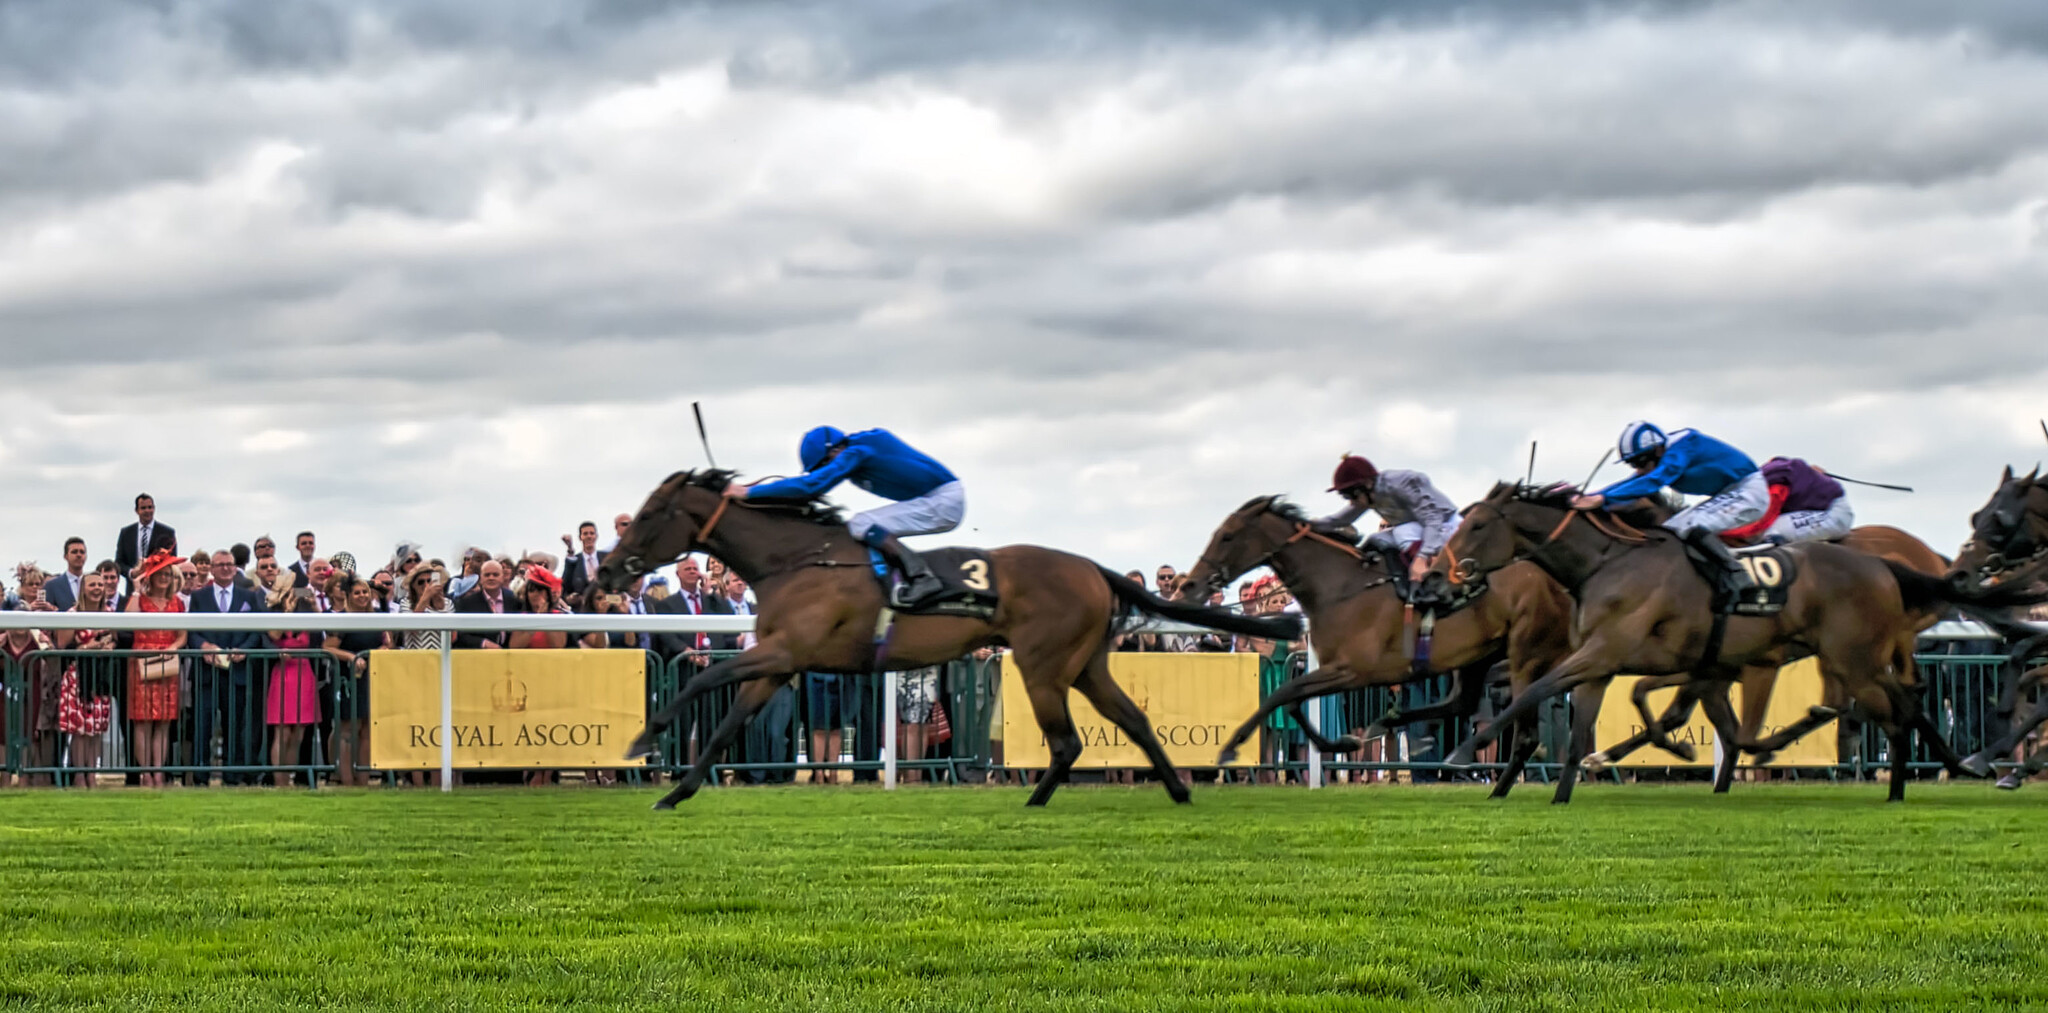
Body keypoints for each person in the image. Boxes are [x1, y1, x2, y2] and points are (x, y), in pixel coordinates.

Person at [727, 426, 964, 607]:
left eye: (824, 464)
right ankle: (895, 576)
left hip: (943, 501)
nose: (825, 471)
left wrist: (748, 492)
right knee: (860, 524)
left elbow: (812, 485)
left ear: (835, 451)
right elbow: (813, 483)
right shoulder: (856, 448)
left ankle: (921, 576)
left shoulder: (858, 451)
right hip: (938, 498)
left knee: (861, 523)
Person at [1570, 421, 1765, 577]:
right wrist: (1593, 497)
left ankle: (1737, 575)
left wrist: (1603, 498)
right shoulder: (1662, 454)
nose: (1637, 469)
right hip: (1728, 493)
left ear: (1658, 451)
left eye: (1639, 462)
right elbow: (1634, 482)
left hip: (1749, 491)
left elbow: (1654, 481)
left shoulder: (1682, 449)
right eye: (1631, 464)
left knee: (1692, 527)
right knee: (1668, 533)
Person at [189, 549, 268, 788]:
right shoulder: (199, 597)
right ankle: (200, 776)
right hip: (207, 672)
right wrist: (204, 646)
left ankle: (232, 775)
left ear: (236, 568)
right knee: (203, 726)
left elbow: (257, 630)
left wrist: (243, 649)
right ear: (211, 569)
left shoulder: (249, 596)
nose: (225, 568)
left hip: (237, 672)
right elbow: (190, 629)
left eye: (229, 564)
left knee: (235, 726)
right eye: (220, 564)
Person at [1318, 455, 1461, 584]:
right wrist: (1307, 525)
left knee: (1402, 532)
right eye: (1345, 497)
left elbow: (1432, 520)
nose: (1351, 503)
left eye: (1350, 496)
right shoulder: (1369, 492)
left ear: (1367, 484)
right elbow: (1338, 521)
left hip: (1448, 525)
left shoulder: (1400, 484)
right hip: (1423, 531)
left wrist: (1422, 558)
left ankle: (1431, 578)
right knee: (1376, 540)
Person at [123, 549, 187, 787]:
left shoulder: (177, 602)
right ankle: (145, 772)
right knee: (143, 720)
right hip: (142, 659)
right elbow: (128, 621)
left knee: (164, 720)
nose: (164, 578)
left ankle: (159, 771)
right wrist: (137, 590)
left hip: (167, 660)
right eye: (160, 573)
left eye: (168, 574)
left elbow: (183, 635)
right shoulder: (141, 599)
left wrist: (173, 648)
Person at [324, 576, 387, 787]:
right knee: (347, 729)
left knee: (367, 729)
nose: (362, 596)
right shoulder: (342, 619)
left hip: (374, 676)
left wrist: (381, 650)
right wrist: (352, 657)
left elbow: (387, 642)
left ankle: (363, 781)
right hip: (347, 679)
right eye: (357, 592)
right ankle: (346, 781)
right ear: (349, 596)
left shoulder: (378, 616)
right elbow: (328, 647)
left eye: (365, 592)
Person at [56, 573, 117, 788]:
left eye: (100, 584)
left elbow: (115, 638)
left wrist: (109, 646)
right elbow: (63, 646)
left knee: (96, 729)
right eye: (93, 584)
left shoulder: (110, 613)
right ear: (83, 588)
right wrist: (87, 648)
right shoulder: (72, 614)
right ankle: (79, 774)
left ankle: (92, 773)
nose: (98, 588)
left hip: (101, 676)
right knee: (80, 730)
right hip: (78, 676)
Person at [1719, 457, 1854, 546]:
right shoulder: (1764, 476)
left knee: (1767, 534)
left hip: (1836, 514)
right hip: (1818, 507)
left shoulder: (1774, 484)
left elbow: (1761, 524)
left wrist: (1721, 532)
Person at [266, 577, 322, 787]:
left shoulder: (306, 614)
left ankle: (288, 777)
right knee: (283, 731)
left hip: (304, 672)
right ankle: (278, 780)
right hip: (284, 674)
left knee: (299, 732)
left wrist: (315, 606)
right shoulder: (274, 611)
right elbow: (274, 634)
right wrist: (286, 611)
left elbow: (323, 630)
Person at [454, 560, 522, 649]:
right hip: (479, 656)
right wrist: (483, 643)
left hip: (508, 655)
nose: (491, 578)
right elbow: (461, 634)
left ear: (502, 577)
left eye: (495, 575)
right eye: (487, 575)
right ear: (481, 578)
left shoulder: (513, 600)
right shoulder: (467, 603)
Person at [115, 493, 178, 585]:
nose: (147, 511)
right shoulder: (126, 533)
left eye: (150, 507)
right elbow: (119, 562)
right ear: (136, 511)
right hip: (133, 586)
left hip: (158, 586)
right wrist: (132, 572)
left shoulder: (167, 532)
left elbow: (172, 560)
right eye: (143, 508)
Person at [561, 521, 606, 600]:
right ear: (580, 537)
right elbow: (565, 588)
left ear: (596, 536)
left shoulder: (606, 558)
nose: (589, 536)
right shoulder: (574, 561)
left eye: (592, 533)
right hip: (581, 609)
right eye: (585, 534)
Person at [45, 538, 87, 611]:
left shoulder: (93, 584)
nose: (79, 555)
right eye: (74, 552)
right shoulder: (52, 586)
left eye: (82, 552)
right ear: (65, 556)